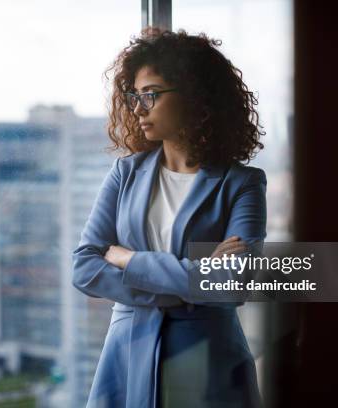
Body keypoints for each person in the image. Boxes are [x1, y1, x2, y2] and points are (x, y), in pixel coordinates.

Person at [72, 27, 267, 408]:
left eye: (151, 95)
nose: (138, 108)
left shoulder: (242, 183)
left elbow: (234, 281)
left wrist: (131, 261)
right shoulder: (124, 173)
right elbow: (84, 267)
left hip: (209, 360)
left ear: (195, 96)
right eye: (135, 97)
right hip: (127, 355)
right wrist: (193, 280)